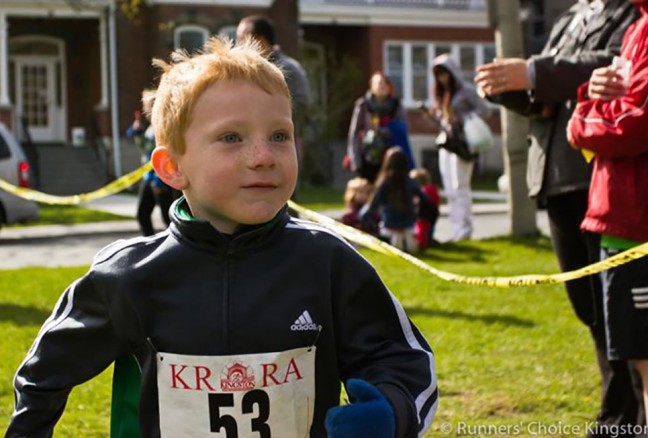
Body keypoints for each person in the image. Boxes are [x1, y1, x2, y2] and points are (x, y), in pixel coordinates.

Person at [6, 36, 437, 438]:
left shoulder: (329, 263)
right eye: (232, 137)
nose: (264, 157)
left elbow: (404, 360)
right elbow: (43, 374)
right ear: (171, 167)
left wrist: (390, 411)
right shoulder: (126, 276)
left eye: (279, 136)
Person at [475, 1, 644, 433]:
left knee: (618, 309)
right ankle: (622, 410)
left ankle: (622, 417)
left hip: (597, 175)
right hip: (551, 175)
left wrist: (534, 73)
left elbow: (611, 65)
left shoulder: (632, 14)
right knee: (589, 307)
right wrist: (509, 88)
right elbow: (546, 92)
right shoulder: (570, 17)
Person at [568, 0, 648, 426]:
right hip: (617, 219)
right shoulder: (638, 28)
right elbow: (611, 102)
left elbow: (632, 125)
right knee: (638, 362)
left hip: (637, 224)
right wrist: (589, 97)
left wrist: (580, 121)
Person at [236, 14, 311, 200]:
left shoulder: (289, 69)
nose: (238, 45)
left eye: (241, 38)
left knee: (284, 199)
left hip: (280, 146)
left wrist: (269, 122)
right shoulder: (244, 72)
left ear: (260, 40)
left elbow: (302, 105)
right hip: (248, 146)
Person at [420, 54, 489, 242]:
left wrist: (461, 118)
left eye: (445, 74)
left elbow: (485, 110)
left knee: (461, 186)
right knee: (450, 188)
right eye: (439, 75)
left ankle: (466, 229)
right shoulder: (442, 95)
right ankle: (456, 228)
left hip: (463, 143)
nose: (442, 78)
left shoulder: (465, 91)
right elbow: (444, 123)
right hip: (447, 142)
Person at [346, 71, 415, 183]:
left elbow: (402, 130)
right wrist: (355, 159)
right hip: (368, 153)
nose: (382, 86)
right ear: (371, 86)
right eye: (379, 83)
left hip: (389, 153)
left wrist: (384, 132)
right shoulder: (363, 105)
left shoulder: (396, 105)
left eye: (385, 83)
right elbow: (354, 133)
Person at [126, 91, 177, 236]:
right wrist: (135, 131)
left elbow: (163, 156)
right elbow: (141, 145)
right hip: (148, 178)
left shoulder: (162, 129)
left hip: (160, 180)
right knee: (142, 215)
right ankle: (150, 247)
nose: (144, 109)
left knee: (168, 220)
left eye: (146, 105)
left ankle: (176, 250)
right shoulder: (149, 129)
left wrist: (159, 182)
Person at [360, 147, 428, 254]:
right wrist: (416, 211)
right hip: (409, 225)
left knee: (369, 218)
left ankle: (394, 241)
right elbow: (425, 199)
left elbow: (371, 207)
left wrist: (361, 217)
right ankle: (406, 241)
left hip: (389, 226)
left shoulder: (383, 184)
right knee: (406, 235)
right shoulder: (410, 182)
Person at [409, 167, 440, 249]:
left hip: (423, 215)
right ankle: (429, 239)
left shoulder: (423, 192)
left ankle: (422, 244)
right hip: (433, 215)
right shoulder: (433, 190)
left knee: (421, 230)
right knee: (429, 230)